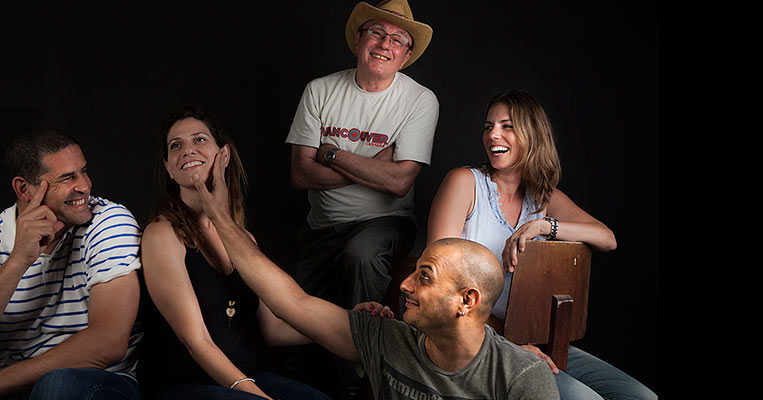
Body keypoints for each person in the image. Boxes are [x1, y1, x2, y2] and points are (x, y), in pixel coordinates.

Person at [183, 152, 558, 399]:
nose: (404, 285)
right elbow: (291, 302)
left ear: (467, 300)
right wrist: (217, 214)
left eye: (425, 277)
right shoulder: (386, 338)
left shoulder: (522, 376)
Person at [426, 89, 657, 399]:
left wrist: (544, 225)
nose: (493, 134)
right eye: (488, 126)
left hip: (533, 339)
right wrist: (509, 344)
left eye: (507, 126)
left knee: (640, 396)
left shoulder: (543, 198)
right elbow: (437, 280)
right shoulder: (465, 183)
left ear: (532, 134)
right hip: (475, 338)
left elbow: (607, 239)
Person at [283, 0, 439, 395]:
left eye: (398, 40)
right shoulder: (320, 90)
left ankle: (360, 381)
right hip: (322, 227)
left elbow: (399, 182)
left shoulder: (420, 100)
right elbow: (301, 174)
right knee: (299, 327)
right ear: (358, 39)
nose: (385, 44)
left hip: (385, 223)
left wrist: (331, 154)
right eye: (377, 33)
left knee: (361, 255)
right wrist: (374, 165)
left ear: (406, 56)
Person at [137, 105, 342, 400]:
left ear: (223, 155)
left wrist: (346, 322)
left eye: (199, 139)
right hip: (188, 384)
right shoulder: (162, 234)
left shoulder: (243, 239)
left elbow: (273, 328)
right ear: (169, 167)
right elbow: (196, 341)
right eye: (176, 146)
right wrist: (254, 394)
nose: (188, 150)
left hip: (254, 376)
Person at [0, 127, 143, 399]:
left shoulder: (108, 221)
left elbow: (108, 344)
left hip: (97, 384)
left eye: (83, 171)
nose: (85, 186)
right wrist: (18, 260)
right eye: (67, 178)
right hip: (14, 392)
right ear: (24, 189)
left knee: (58, 384)